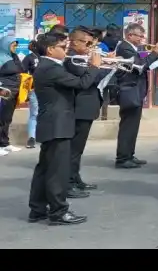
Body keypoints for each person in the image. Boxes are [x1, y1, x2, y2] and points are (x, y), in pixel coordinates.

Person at [28, 32, 104, 225]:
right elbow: (82, 84)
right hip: (57, 124)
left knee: (45, 169)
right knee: (57, 171)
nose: (66, 50)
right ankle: (58, 212)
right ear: (51, 49)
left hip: (52, 123)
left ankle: (37, 209)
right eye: (62, 47)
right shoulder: (51, 68)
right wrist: (94, 65)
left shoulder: (49, 66)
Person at [113, 23, 158, 169]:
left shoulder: (134, 48)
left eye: (143, 36)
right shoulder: (125, 48)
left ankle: (129, 154)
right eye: (140, 36)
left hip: (135, 91)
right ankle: (122, 158)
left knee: (133, 126)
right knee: (128, 126)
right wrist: (154, 53)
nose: (143, 39)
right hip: (129, 91)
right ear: (130, 35)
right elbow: (141, 66)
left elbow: (144, 64)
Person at [63, 27, 107, 195]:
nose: (90, 46)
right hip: (79, 108)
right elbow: (88, 80)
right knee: (73, 149)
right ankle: (68, 183)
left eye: (91, 42)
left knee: (78, 149)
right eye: (86, 42)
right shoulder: (72, 59)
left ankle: (75, 178)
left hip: (86, 108)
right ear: (74, 42)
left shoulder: (81, 57)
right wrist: (98, 66)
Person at [0, 36, 25, 155]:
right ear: (6, 45)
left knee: (7, 119)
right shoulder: (1, 57)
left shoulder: (14, 57)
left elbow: (21, 69)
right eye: (13, 45)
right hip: (3, 91)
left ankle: (5, 143)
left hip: (14, 91)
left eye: (16, 45)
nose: (15, 48)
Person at [23, 43, 39, 149]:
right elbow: (23, 74)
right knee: (34, 113)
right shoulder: (29, 58)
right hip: (34, 89)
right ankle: (31, 138)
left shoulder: (48, 58)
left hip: (49, 89)